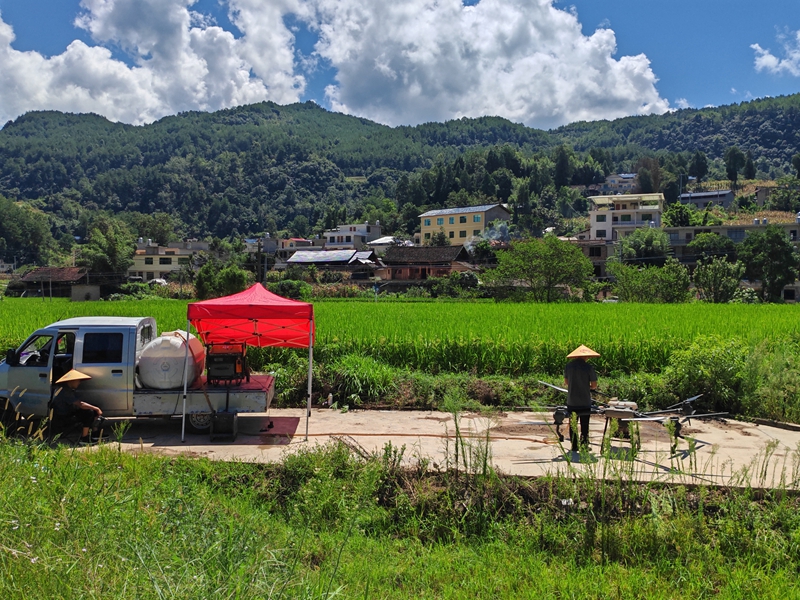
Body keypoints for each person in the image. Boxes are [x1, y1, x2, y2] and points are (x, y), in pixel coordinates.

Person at [563, 345, 599, 452]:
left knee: (573, 423)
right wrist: (586, 386)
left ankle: (574, 446)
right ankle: (584, 445)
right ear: (586, 357)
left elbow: (566, 382)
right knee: (584, 424)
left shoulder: (568, 367)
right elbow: (594, 385)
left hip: (572, 401)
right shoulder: (588, 368)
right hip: (584, 401)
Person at [52, 370, 103, 445]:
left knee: (91, 408)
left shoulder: (65, 389)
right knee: (89, 412)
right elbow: (80, 404)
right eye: (78, 381)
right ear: (71, 381)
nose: (79, 383)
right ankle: (84, 438)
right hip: (63, 419)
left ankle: (95, 433)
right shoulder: (65, 391)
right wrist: (96, 409)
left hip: (67, 414)